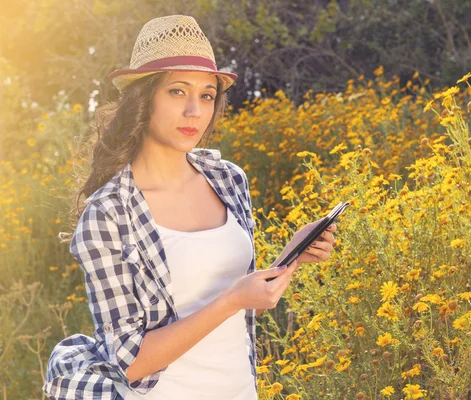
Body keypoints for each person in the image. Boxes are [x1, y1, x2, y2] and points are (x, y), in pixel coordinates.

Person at [43, 15, 336, 400]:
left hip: (239, 390)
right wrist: (232, 298)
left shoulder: (228, 179)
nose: (195, 111)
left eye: (207, 95)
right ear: (143, 99)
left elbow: (241, 307)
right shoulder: (108, 213)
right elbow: (130, 363)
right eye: (178, 92)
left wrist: (290, 259)